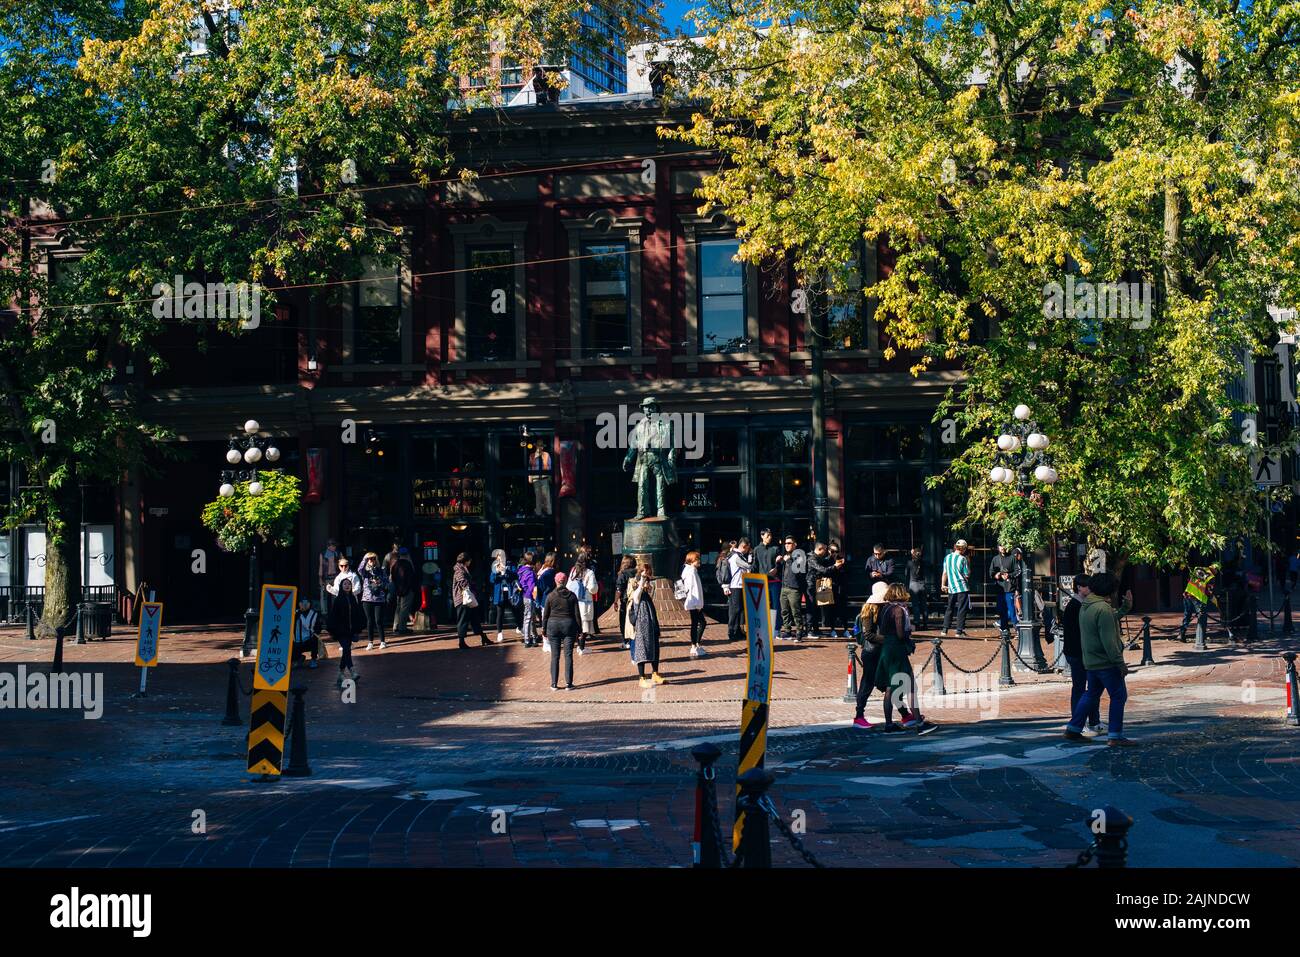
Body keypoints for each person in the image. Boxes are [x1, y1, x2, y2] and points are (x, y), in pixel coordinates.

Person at [1064, 572, 1135, 746]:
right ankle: (1115, 735)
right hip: (1105, 662)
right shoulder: (1102, 608)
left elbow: (1106, 621)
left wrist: (1125, 608)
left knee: (1091, 694)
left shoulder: (1087, 605)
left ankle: (1073, 728)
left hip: (1091, 661)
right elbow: (1109, 641)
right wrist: (1120, 663)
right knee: (1118, 696)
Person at [874, 583, 930, 731]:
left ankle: (888, 724)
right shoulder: (899, 610)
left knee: (889, 687)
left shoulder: (885, 608)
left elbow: (883, 630)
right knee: (911, 686)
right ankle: (919, 722)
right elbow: (900, 634)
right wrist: (909, 631)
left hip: (886, 648)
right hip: (896, 650)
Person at [1060, 574, 1105, 736]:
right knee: (1080, 688)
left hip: (1083, 652)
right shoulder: (1075, 606)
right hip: (1078, 653)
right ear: (1079, 587)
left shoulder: (1082, 605)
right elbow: (1077, 634)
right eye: (1087, 586)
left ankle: (1094, 721)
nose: (1090, 589)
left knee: (1092, 688)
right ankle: (1078, 721)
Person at [851, 581, 890, 728]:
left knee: (888, 684)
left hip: (879, 652)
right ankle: (859, 716)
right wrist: (888, 639)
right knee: (868, 684)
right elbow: (868, 635)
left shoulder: (882, 609)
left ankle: (905, 714)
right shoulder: (868, 611)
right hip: (871, 652)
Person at [627, 562, 665, 687]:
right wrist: (641, 582)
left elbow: (652, 592)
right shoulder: (636, 590)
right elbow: (636, 598)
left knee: (654, 647)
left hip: (651, 622)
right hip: (641, 624)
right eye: (645, 574)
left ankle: (655, 673)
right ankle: (642, 677)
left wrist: (648, 584)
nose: (647, 577)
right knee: (641, 649)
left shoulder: (647, 591)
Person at [544, 571, 580, 690]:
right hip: (568, 626)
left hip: (553, 626)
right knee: (568, 655)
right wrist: (578, 630)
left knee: (555, 656)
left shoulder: (550, 596)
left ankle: (554, 683)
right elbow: (577, 615)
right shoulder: (572, 596)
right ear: (565, 581)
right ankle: (568, 683)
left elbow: (546, 615)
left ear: (555, 581)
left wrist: (544, 630)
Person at [326, 577, 362, 686]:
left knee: (346, 651)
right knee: (346, 649)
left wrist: (357, 629)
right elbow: (333, 616)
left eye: (349, 584)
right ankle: (352, 671)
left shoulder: (353, 599)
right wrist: (333, 630)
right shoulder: (338, 599)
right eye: (345, 584)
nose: (347, 586)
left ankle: (340, 674)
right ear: (341, 586)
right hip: (340, 631)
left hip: (350, 631)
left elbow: (357, 615)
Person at [452, 552, 489, 649]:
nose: (470, 563)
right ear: (466, 561)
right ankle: (461, 641)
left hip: (467, 599)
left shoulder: (462, 568)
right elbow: (462, 582)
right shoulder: (459, 570)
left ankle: (483, 637)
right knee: (463, 620)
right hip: (462, 599)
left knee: (475, 619)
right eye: (469, 561)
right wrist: (471, 585)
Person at [776, 535, 807, 641]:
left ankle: (799, 631)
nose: (787, 545)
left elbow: (798, 571)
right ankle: (787, 631)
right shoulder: (786, 556)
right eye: (785, 543)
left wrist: (788, 560)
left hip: (794, 588)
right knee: (784, 611)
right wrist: (779, 562)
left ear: (795, 544)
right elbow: (782, 572)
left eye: (789, 543)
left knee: (795, 611)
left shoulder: (800, 555)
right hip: (784, 587)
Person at [358, 552, 389, 651]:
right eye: (370, 559)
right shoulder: (365, 572)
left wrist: (379, 582)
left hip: (379, 599)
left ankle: (382, 641)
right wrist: (365, 558)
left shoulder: (381, 570)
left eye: (373, 558)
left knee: (378, 620)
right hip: (367, 599)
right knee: (369, 621)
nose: (371, 560)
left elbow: (387, 582)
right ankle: (370, 642)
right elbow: (360, 569)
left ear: (376, 560)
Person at [567, 556, 599, 653]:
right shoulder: (589, 572)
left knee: (577, 624)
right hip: (585, 603)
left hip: (574, 601)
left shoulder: (573, 570)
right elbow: (593, 589)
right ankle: (582, 648)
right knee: (584, 625)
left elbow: (568, 585)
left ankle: (578, 646)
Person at [940, 539, 971, 638]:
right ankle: (959, 631)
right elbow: (967, 575)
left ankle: (945, 629)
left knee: (949, 608)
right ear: (964, 549)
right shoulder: (963, 559)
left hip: (952, 588)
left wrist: (943, 584)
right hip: (962, 587)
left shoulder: (947, 557)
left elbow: (944, 573)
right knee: (962, 609)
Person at [1178, 563, 1216, 642]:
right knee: (1202, 617)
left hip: (1188, 595)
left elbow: (1190, 579)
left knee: (1187, 615)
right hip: (1198, 599)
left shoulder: (1197, 569)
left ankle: (1182, 634)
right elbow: (1209, 592)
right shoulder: (1211, 577)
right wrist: (1214, 600)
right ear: (1215, 569)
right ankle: (1201, 638)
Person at [678, 550, 707, 656]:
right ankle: (695, 645)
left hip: (691, 601)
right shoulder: (692, 572)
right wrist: (699, 604)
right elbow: (696, 589)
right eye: (697, 559)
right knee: (699, 623)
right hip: (694, 602)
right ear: (692, 561)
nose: (699, 561)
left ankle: (695, 645)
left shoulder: (688, 571)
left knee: (696, 623)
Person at [989, 544, 1022, 633]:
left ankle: (1017, 629)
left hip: (1009, 587)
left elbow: (1018, 571)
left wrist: (1009, 575)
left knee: (1011, 610)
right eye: (1000, 546)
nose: (1003, 548)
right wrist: (996, 575)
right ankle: (1004, 630)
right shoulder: (995, 559)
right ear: (998, 547)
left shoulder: (1012, 558)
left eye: (1004, 545)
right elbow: (991, 572)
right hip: (1000, 588)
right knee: (1002, 610)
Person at [489, 549, 519, 644]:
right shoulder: (494, 566)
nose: (500, 558)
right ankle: (499, 632)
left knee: (515, 610)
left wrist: (506, 570)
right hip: (500, 593)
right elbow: (491, 580)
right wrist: (496, 572)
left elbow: (515, 575)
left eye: (502, 556)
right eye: (499, 556)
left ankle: (519, 626)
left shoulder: (510, 564)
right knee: (500, 613)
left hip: (510, 592)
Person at [726, 538, 753, 642]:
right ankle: (731, 631)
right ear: (744, 546)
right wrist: (751, 557)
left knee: (740, 609)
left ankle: (737, 630)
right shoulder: (736, 557)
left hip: (739, 585)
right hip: (735, 586)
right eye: (748, 548)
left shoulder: (737, 555)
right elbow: (748, 566)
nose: (748, 550)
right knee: (735, 609)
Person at [806, 541, 835, 639]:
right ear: (819, 549)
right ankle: (809, 631)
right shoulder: (812, 558)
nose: (826, 552)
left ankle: (816, 630)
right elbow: (822, 569)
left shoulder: (818, 557)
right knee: (811, 607)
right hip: (810, 585)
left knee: (816, 608)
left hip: (817, 585)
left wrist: (831, 557)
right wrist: (834, 567)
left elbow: (824, 562)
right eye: (825, 550)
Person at [752, 528, 782, 619]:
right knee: (762, 605)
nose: (770, 537)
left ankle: (776, 629)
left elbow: (780, 565)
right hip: (761, 582)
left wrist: (776, 568)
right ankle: (765, 627)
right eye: (767, 535)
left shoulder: (775, 549)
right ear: (762, 536)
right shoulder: (757, 549)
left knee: (775, 605)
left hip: (774, 582)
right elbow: (755, 566)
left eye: (770, 535)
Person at [390, 546, 417, 635]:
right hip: (407, 590)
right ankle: (402, 628)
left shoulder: (395, 564)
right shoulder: (408, 564)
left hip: (398, 589)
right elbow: (410, 578)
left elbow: (393, 578)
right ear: (407, 554)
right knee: (404, 608)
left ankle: (396, 626)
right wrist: (409, 589)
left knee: (398, 608)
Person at [535, 552, 558, 652]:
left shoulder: (543, 570)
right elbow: (543, 585)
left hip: (544, 599)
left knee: (546, 620)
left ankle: (547, 642)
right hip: (548, 599)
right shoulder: (550, 572)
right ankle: (547, 642)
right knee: (548, 621)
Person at [827, 542, 850, 638]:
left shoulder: (842, 560)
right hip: (831, 588)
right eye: (832, 551)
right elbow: (825, 572)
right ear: (829, 551)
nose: (834, 553)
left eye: (836, 551)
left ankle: (846, 629)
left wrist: (843, 566)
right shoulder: (827, 560)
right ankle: (832, 629)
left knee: (843, 609)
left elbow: (847, 573)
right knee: (832, 610)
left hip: (841, 588)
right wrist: (834, 567)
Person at [293, 597, 323, 669]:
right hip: (296, 640)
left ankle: (313, 659)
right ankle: (299, 658)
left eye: (307, 603)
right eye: (302, 603)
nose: (304, 605)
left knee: (314, 640)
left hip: (309, 640)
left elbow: (318, 627)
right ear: (299, 604)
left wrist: (316, 631)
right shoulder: (294, 613)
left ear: (310, 604)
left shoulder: (314, 614)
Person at [615, 555, 637, 649]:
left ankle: (626, 641)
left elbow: (619, 590)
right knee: (634, 621)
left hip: (625, 601)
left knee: (623, 621)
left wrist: (615, 601)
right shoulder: (637, 573)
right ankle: (634, 640)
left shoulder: (622, 574)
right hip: (636, 600)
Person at [518, 551, 539, 647]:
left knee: (529, 617)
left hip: (525, 596)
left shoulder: (521, 570)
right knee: (529, 617)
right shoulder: (530, 572)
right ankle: (528, 639)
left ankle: (532, 636)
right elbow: (532, 587)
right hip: (530, 597)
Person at [906, 546, 929, 631]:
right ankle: (925, 623)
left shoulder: (909, 563)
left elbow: (907, 575)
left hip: (913, 585)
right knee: (924, 605)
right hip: (922, 585)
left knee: (915, 605)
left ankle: (917, 623)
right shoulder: (923, 562)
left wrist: (911, 555)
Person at [318, 538, 342, 614]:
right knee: (324, 596)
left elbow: (343, 563)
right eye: (333, 545)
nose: (335, 547)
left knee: (335, 596)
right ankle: (324, 613)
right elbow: (321, 566)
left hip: (336, 577)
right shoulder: (323, 554)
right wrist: (320, 578)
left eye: (335, 545)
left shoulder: (338, 553)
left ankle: (335, 612)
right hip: (326, 578)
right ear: (329, 546)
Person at [529, 445, 553, 517]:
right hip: (536, 477)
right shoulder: (532, 455)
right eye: (538, 446)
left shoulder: (546, 454)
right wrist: (529, 476)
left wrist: (550, 476)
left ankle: (548, 512)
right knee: (538, 496)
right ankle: (539, 513)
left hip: (544, 476)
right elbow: (530, 466)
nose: (540, 448)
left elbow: (549, 465)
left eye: (541, 446)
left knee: (546, 496)